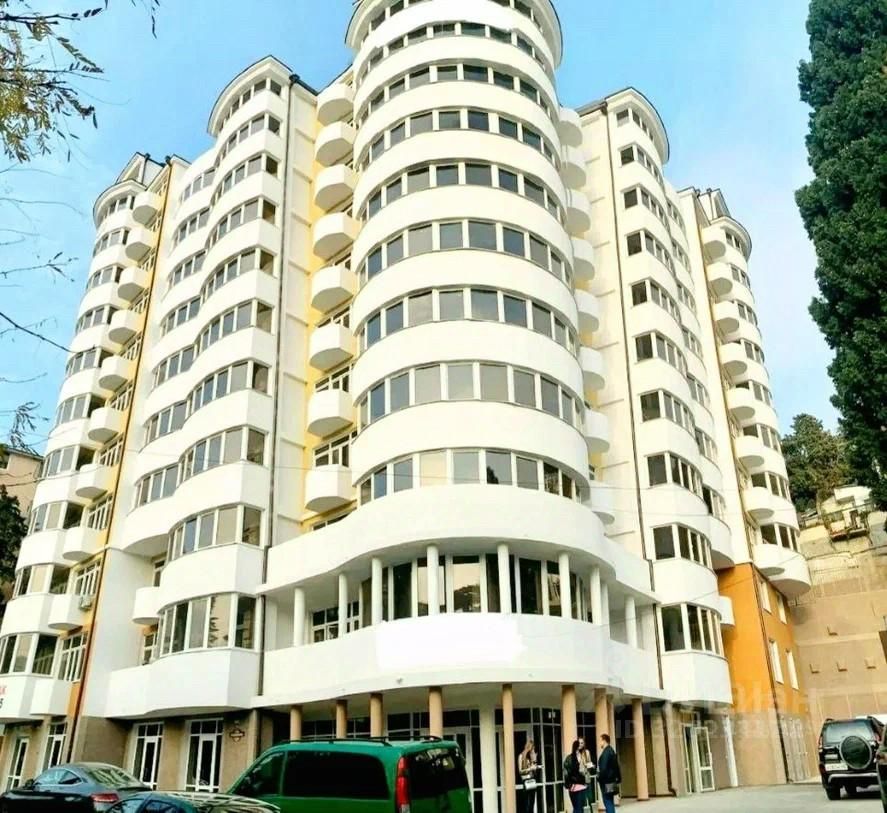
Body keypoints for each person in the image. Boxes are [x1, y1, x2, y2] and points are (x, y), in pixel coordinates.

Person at [597, 734, 621, 813]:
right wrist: (618, 778)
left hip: (606, 782)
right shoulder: (611, 750)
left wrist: (599, 777)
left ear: (604, 741)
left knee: (607, 801)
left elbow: (603, 769)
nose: (599, 743)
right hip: (611, 780)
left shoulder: (606, 752)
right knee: (610, 801)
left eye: (600, 740)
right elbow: (616, 766)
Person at [563, 739, 588, 813]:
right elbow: (582, 771)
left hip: (572, 787)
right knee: (579, 809)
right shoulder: (580, 757)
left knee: (576, 808)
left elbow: (566, 773)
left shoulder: (568, 758)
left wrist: (568, 784)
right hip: (580, 786)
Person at [518, 739, 540, 813]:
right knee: (527, 804)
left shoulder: (530, 757)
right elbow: (520, 771)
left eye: (533, 748)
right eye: (531, 748)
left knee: (531, 804)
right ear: (528, 747)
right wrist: (530, 769)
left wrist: (535, 760)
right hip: (526, 781)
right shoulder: (521, 756)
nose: (532, 750)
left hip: (532, 781)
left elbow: (534, 771)